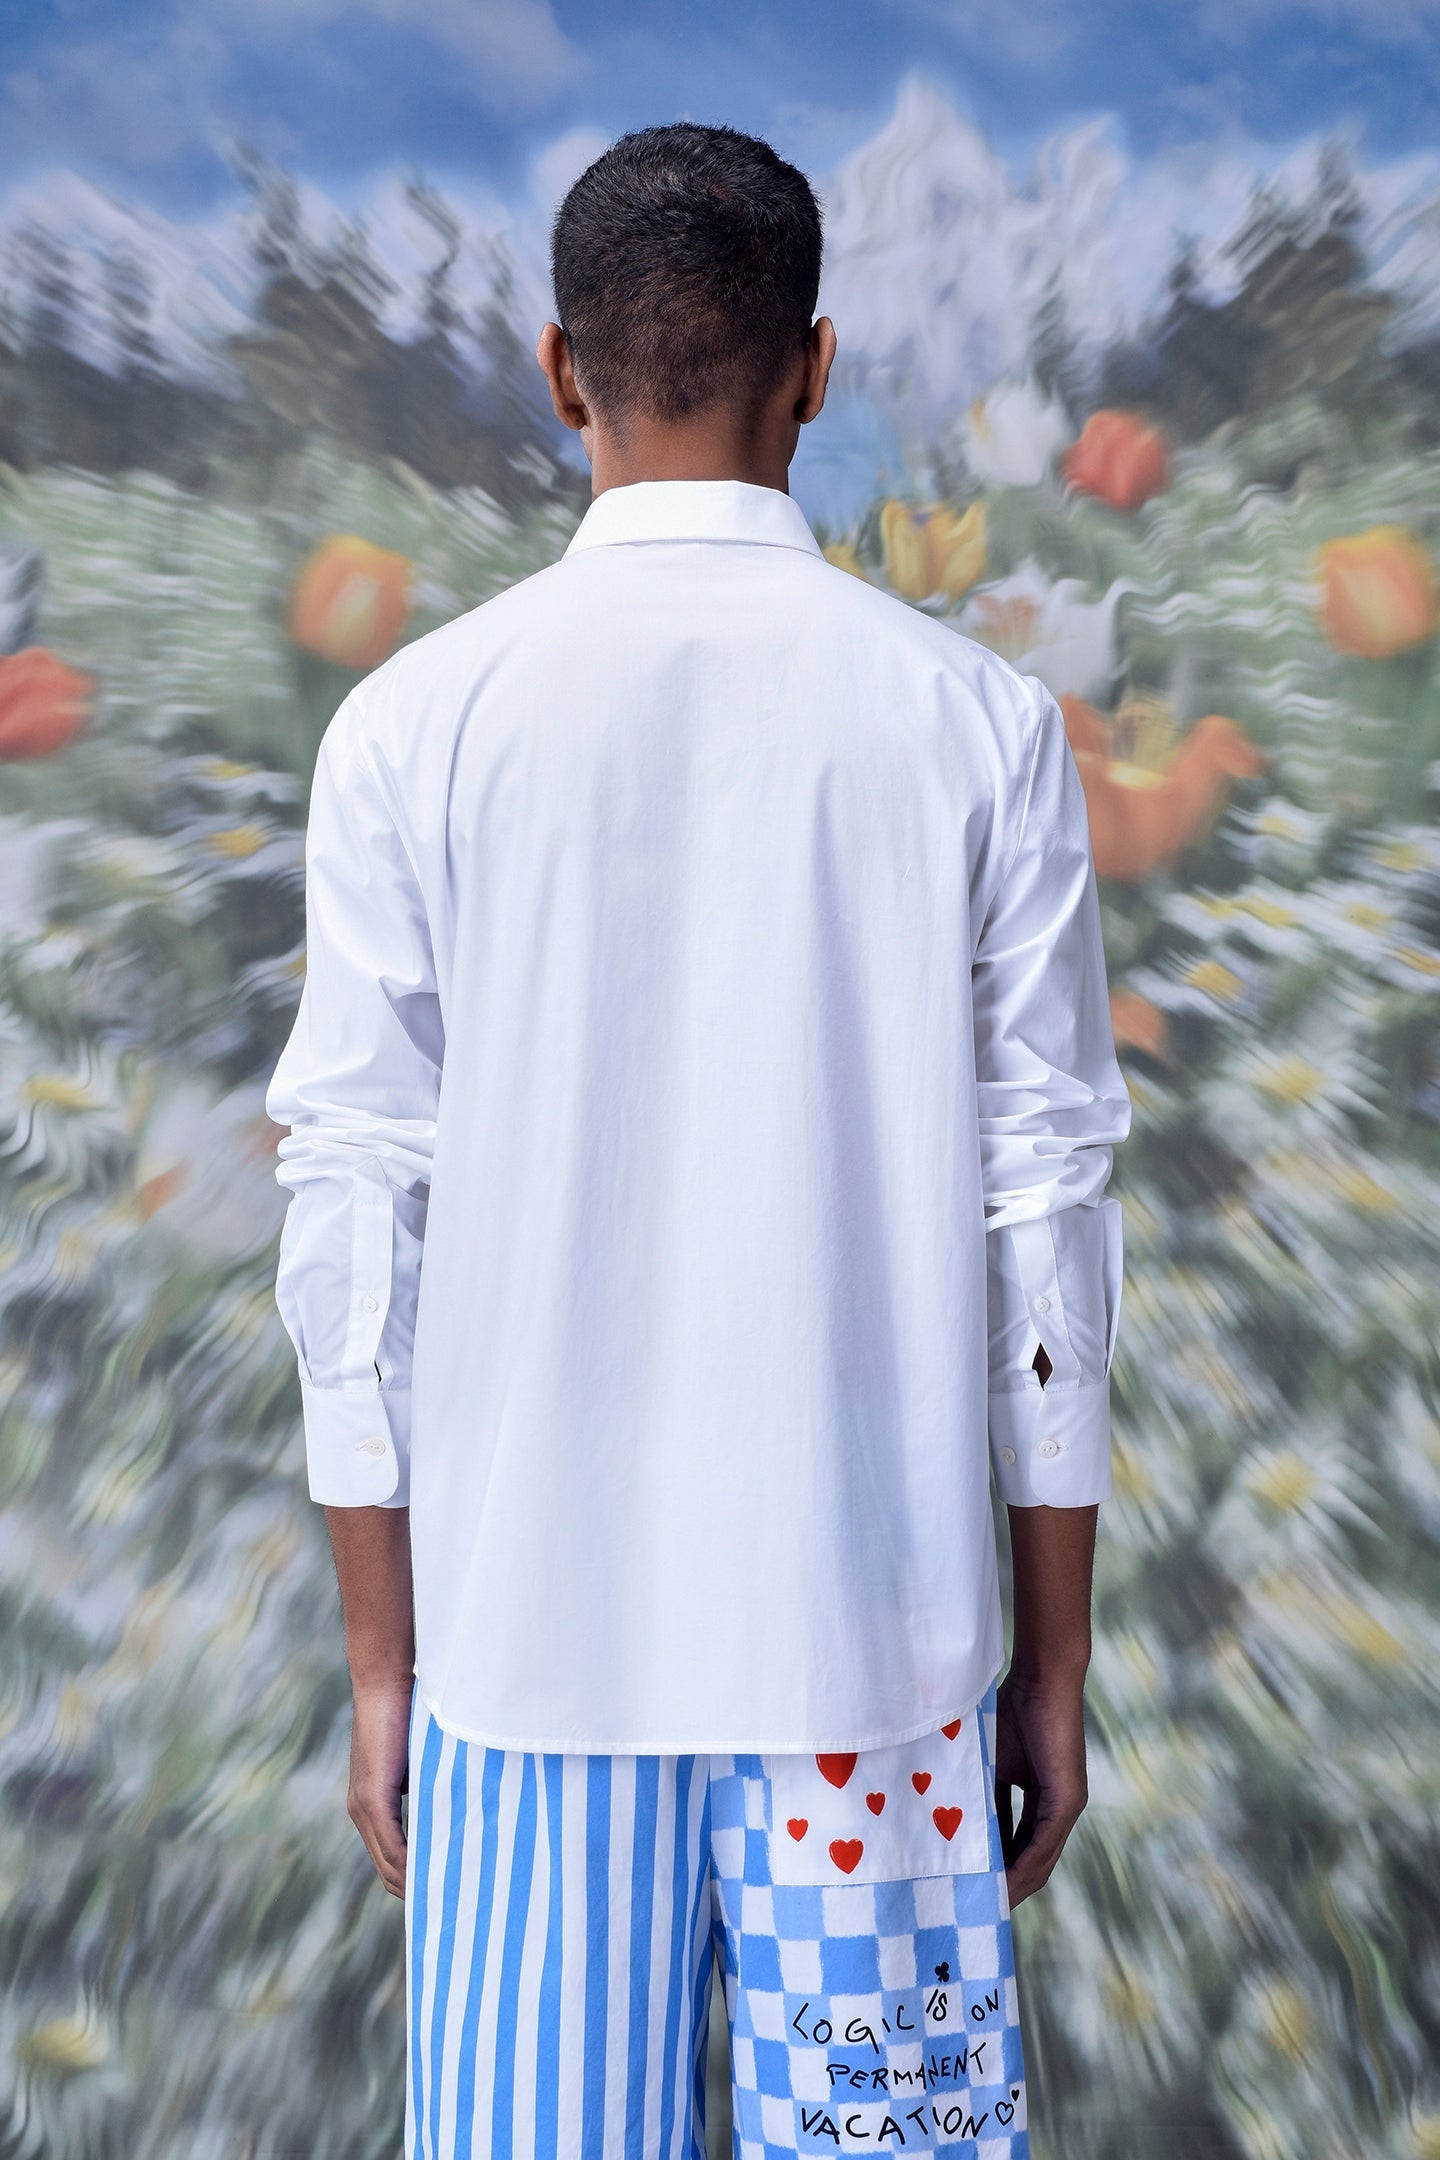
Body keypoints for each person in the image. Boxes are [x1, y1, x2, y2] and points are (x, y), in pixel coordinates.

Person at [265, 120, 1130, 2160]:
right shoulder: (976, 724)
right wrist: (1050, 1667)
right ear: (817, 369)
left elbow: (348, 1212)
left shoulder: (412, 724)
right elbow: (1049, 1219)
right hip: (878, 1666)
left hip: (525, 1662)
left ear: (562, 371)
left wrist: (387, 1664)